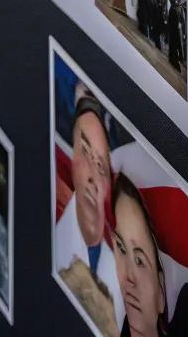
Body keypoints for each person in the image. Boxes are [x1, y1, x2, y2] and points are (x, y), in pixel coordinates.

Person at [56, 91, 124, 332]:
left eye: (100, 165)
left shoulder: (123, 272)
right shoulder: (50, 234)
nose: (93, 177)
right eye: (84, 151)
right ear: (72, 157)